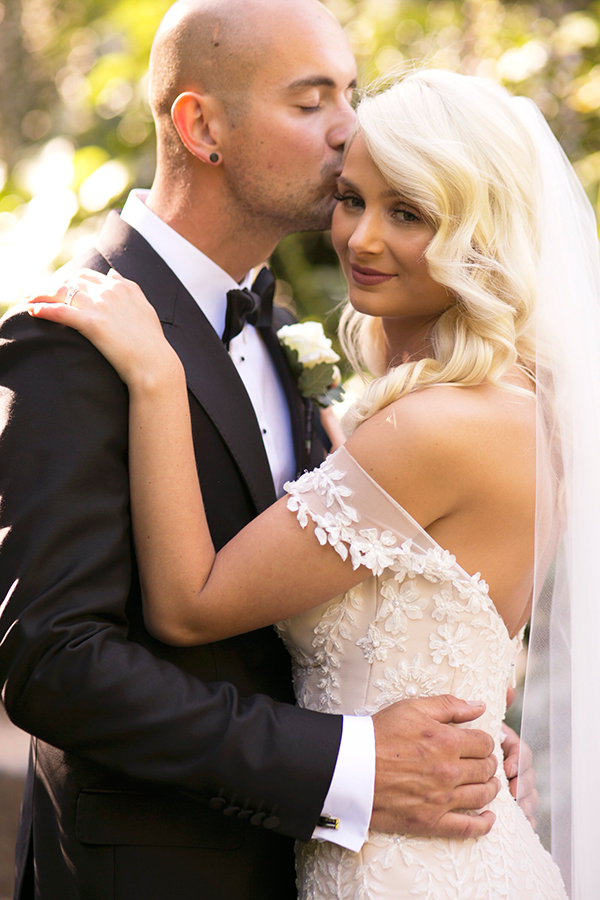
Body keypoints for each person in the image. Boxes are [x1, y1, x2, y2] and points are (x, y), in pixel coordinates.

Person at [28, 68, 588, 898]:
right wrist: (482, 728)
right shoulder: (513, 405)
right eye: (352, 200)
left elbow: (189, 605)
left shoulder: (436, 427)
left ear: (480, 230)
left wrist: (157, 375)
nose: (361, 239)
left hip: (411, 870)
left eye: (409, 213)